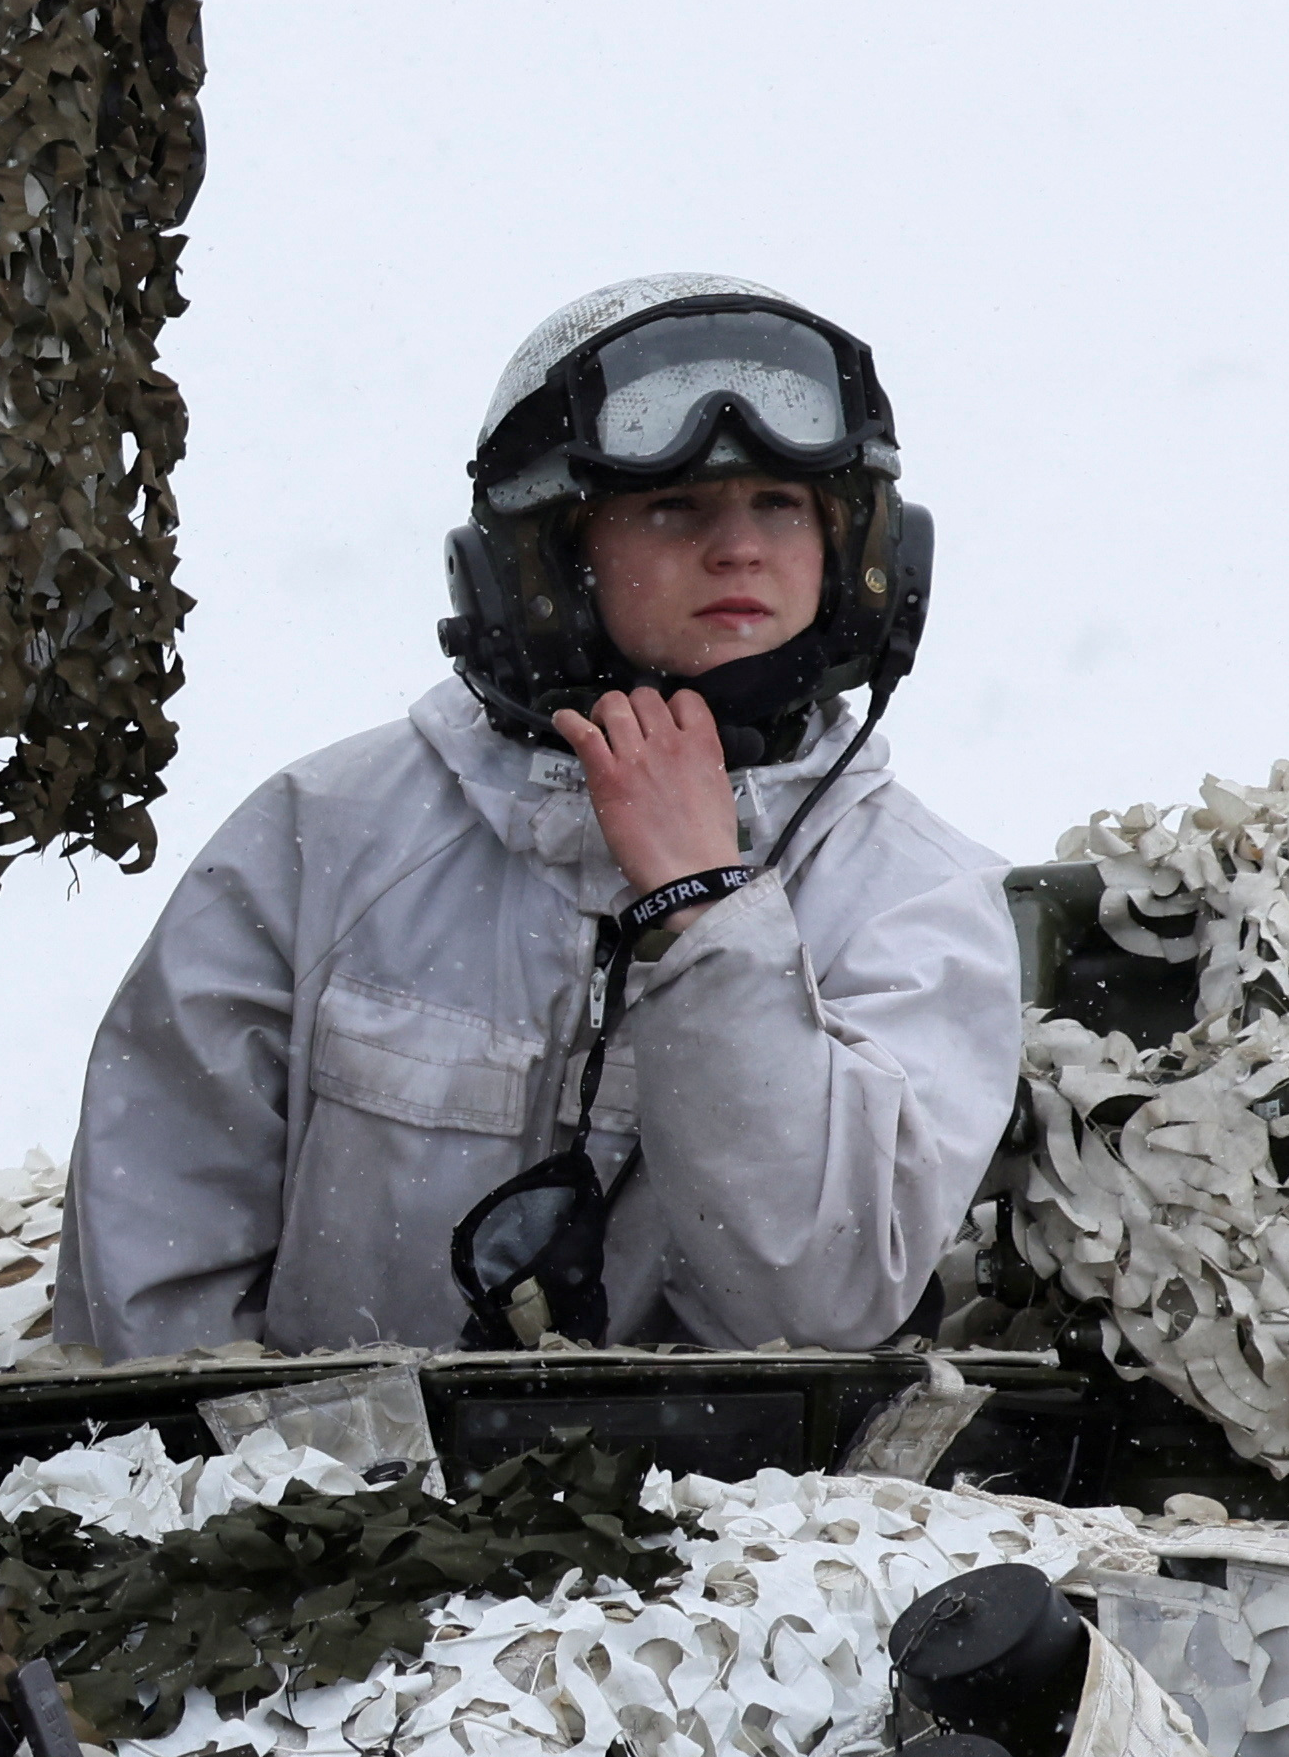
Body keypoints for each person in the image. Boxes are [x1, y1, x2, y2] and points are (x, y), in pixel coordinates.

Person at [50, 276, 1022, 1360]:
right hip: (327, 1515)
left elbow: (822, 1301)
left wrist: (707, 913)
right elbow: (149, 1301)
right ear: (554, 557)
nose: (740, 549)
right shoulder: (323, 837)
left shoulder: (914, 897)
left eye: (782, 506)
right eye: (676, 508)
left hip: (732, 1522)